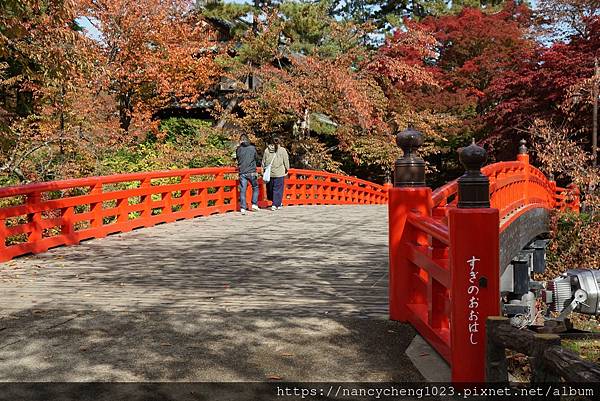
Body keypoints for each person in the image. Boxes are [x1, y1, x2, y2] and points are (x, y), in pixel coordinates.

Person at [262, 137, 290, 211]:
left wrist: (263, 170)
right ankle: (276, 204)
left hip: (270, 173)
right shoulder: (282, 150)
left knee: (270, 188)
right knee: (278, 189)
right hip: (279, 172)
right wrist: (287, 168)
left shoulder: (267, 150)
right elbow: (286, 161)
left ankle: (276, 202)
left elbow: (263, 161)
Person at [235, 134, 260, 215]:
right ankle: (254, 204)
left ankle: (243, 207)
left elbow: (238, 158)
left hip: (242, 172)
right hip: (252, 171)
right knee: (255, 187)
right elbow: (256, 158)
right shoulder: (252, 148)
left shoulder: (239, 149)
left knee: (243, 190)